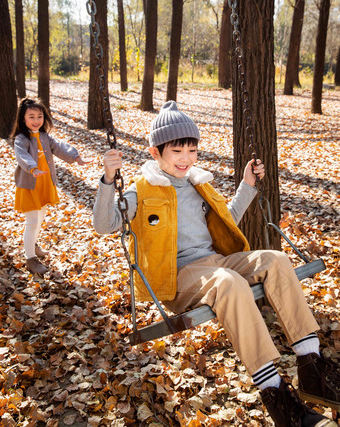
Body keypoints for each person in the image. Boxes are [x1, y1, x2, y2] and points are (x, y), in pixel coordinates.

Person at [93, 101, 339, 427]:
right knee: (228, 282)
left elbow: (228, 222)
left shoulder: (199, 184)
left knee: (276, 260)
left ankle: (313, 368)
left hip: (216, 262)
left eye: (192, 150)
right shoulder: (142, 189)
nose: (185, 158)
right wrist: (109, 179)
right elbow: (104, 223)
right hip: (177, 276)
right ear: (156, 153)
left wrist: (247, 185)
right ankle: (279, 399)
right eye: (177, 150)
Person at [11, 97, 92, 275]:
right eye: (31, 117)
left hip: (45, 184)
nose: (36, 121)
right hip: (29, 186)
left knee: (40, 219)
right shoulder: (21, 139)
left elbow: (61, 147)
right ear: (23, 119)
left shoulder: (44, 137)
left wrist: (76, 157)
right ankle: (30, 258)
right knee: (32, 221)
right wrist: (32, 168)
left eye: (39, 116)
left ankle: (32, 244)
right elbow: (22, 156)